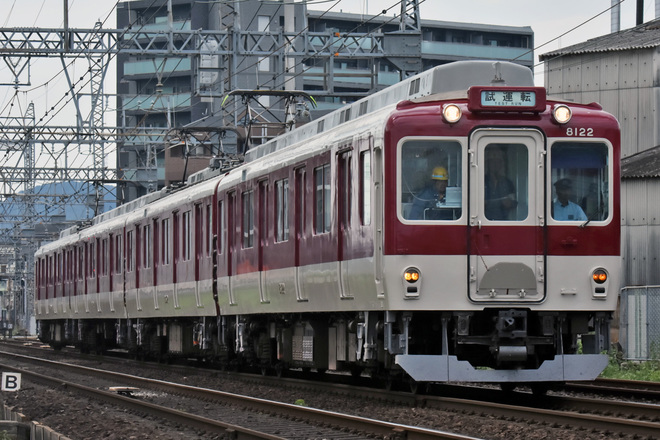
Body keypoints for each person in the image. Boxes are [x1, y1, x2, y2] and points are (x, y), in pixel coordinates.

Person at [484, 147, 517, 220]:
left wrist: (510, 203)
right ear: (488, 164)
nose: (495, 164)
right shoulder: (480, 182)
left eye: (497, 162)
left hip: (502, 222)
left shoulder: (508, 183)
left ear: (501, 164)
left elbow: (513, 203)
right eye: (492, 162)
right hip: (483, 221)